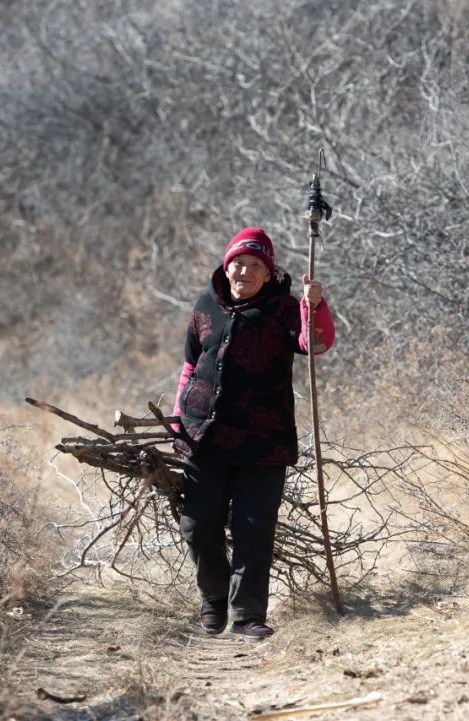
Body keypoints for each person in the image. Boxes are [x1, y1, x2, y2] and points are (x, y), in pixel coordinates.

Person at [172, 227, 335, 639]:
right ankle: (214, 597)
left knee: (254, 529)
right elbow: (191, 366)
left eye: (255, 266)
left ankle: (247, 616)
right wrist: (179, 421)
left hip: (263, 441)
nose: (244, 271)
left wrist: (314, 308)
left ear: (268, 273)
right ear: (227, 267)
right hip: (204, 437)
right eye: (238, 263)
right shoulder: (205, 306)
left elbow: (313, 344)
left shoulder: (284, 309)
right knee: (197, 524)